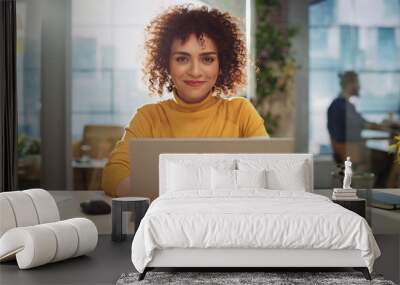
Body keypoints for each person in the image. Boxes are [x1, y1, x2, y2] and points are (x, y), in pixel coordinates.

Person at [102, 5, 268, 197]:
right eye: (182, 59)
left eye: (207, 59)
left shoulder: (241, 111)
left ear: (221, 65)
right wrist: (170, 197)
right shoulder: (148, 117)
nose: (195, 71)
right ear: (166, 64)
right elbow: (113, 173)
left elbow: (268, 171)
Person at [327, 71, 383, 165]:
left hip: (348, 150)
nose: (359, 87)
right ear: (350, 84)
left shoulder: (342, 105)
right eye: (358, 83)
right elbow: (361, 123)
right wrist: (381, 126)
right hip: (349, 151)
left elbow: (360, 122)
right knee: (385, 159)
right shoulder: (340, 106)